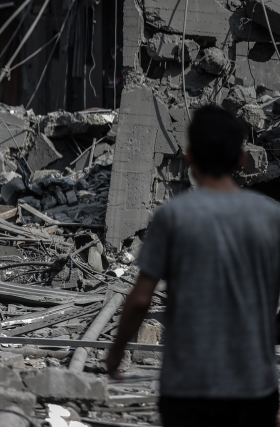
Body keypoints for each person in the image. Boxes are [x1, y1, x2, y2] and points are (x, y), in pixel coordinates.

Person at [106, 105, 280, 427]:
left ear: (188, 157)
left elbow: (141, 298)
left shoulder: (173, 216)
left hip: (188, 387)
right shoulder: (270, 216)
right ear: (241, 160)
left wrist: (116, 351)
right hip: (254, 384)